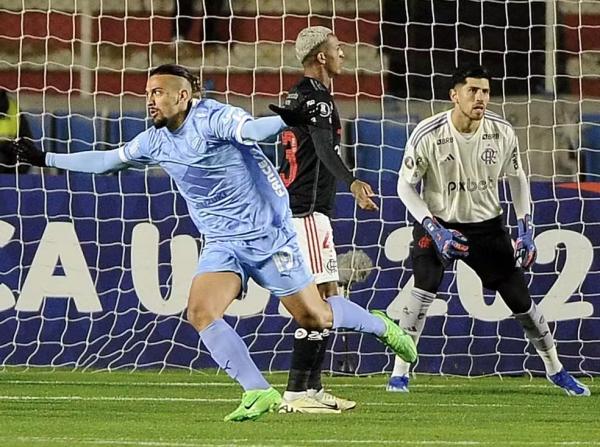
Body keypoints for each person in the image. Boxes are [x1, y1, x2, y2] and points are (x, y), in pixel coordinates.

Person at [4, 64, 417, 422]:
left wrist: (284, 120)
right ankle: (257, 391)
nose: (150, 100)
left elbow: (250, 129)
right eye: (148, 93)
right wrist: (44, 159)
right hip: (222, 242)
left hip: (268, 237)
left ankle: (381, 324)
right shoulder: (155, 139)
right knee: (200, 311)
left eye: (158, 93)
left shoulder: (214, 118)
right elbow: (109, 160)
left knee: (317, 318)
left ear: (183, 96)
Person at [389, 65, 590, 397]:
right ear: (455, 95)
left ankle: (555, 369)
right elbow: (404, 187)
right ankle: (400, 373)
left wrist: (525, 227)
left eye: (485, 91)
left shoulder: (501, 131)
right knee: (423, 287)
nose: (480, 97)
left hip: (487, 227)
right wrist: (432, 228)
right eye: (473, 91)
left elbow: (517, 178)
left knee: (521, 302)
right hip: (439, 224)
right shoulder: (428, 133)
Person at [275, 26, 379, 414]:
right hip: (306, 214)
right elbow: (321, 147)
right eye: (337, 49)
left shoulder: (298, 95)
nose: (343, 54)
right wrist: (351, 181)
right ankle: (297, 392)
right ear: (321, 56)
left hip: (305, 211)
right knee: (322, 303)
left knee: (327, 299)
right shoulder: (316, 99)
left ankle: (312, 388)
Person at [0, 89, 34, 174]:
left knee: (23, 157)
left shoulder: (13, 108)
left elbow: (26, 137)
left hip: (10, 152)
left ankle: (14, 185)